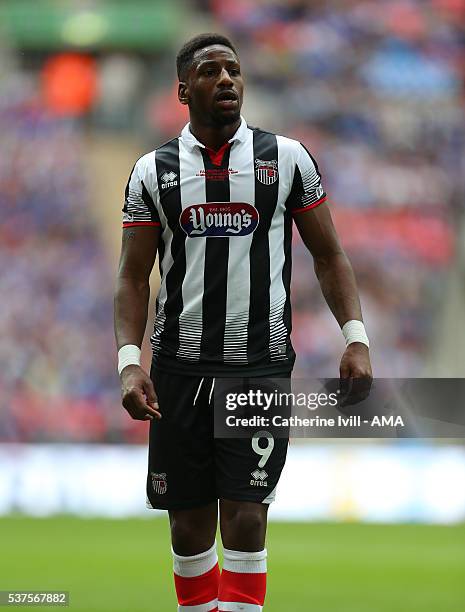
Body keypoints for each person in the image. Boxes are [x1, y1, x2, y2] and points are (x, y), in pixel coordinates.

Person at [114, 33, 372, 612]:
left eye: (233, 70)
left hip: (259, 365)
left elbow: (329, 255)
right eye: (211, 72)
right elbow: (132, 278)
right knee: (188, 528)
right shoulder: (152, 172)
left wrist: (355, 337)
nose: (227, 80)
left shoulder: (286, 159)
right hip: (178, 367)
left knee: (249, 517)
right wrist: (130, 364)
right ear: (183, 90)